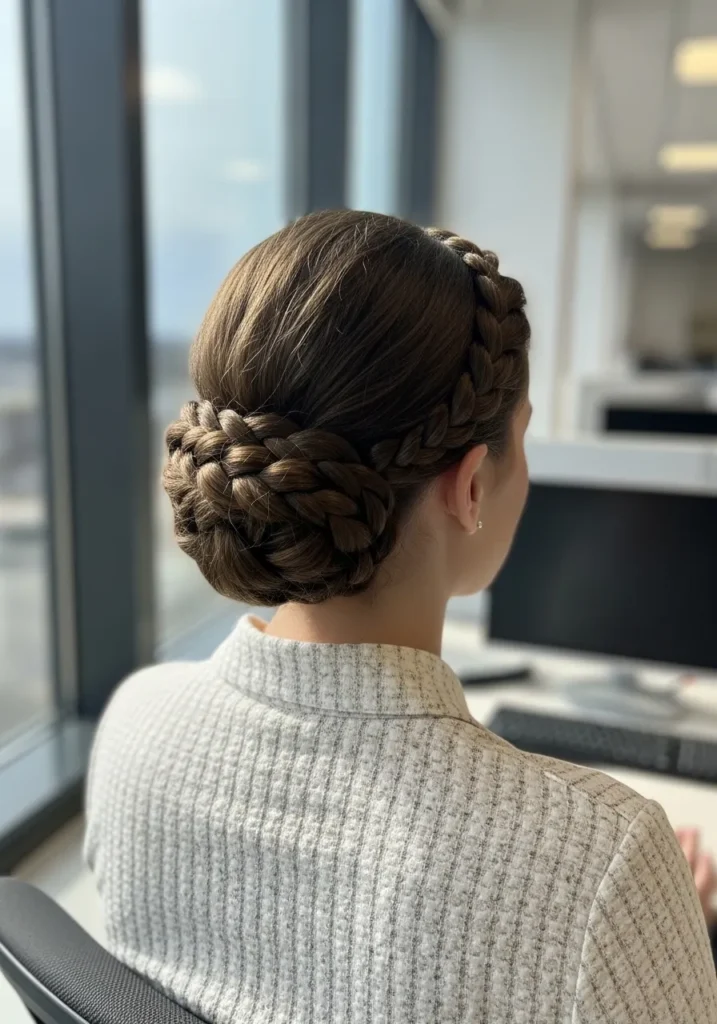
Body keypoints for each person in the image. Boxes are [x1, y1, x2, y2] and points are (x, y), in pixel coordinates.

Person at [85, 210, 717, 1023]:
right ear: (471, 485)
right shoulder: (604, 860)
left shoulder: (134, 723)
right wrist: (664, 935)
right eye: (520, 440)